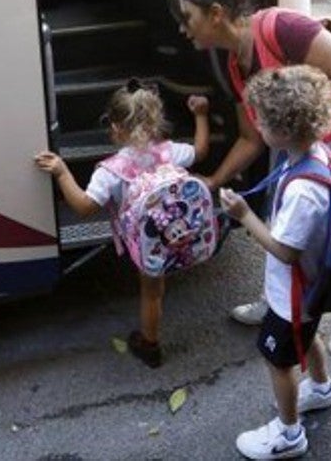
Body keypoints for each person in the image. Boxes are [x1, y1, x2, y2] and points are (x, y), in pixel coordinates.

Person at [167, 0, 331, 356]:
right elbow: (252, 138)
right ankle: (281, 302)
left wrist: (296, 124)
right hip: (307, 146)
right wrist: (214, 181)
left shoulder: (281, 27)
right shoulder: (236, 64)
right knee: (291, 227)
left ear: (216, 14)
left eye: (188, 17)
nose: (183, 29)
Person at [34, 80, 210, 368]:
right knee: (158, 285)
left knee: (151, 291)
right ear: (155, 121)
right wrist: (201, 115)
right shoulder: (170, 151)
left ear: (115, 128)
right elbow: (201, 151)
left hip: (147, 242)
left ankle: (150, 344)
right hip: (175, 232)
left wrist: (62, 171)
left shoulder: (111, 171)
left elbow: (83, 207)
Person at [220, 65, 331, 460]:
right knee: (308, 335)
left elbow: (286, 250)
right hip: (311, 290)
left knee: (280, 359)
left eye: (262, 121)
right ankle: (322, 388)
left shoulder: (305, 190)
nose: (256, 125)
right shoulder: (314, 153)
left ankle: (290, 435)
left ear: (283, 131)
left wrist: (243, 215)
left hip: (293, 293)